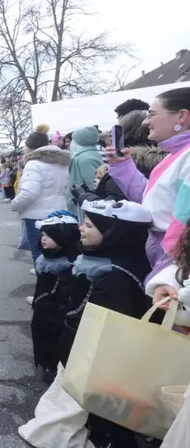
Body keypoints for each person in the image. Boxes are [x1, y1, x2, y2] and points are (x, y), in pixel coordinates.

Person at [57, 199, 152, 448]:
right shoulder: (118, 261)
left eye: (89, 224)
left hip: (107, 368)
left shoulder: (113, 276)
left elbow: (99, 328)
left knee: (108, 417)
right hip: (117, 369)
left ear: (113, 233)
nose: (81, 228)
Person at [106, 87, 190, 291]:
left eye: (152, 114)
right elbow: (150, 200)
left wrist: (168, 270)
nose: (145, 121)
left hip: (175, 259)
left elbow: (184, 219)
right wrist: (122, 165)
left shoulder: (187, 156)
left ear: (181, 116)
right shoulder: (176, 155)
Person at [28, 211, 80, 382]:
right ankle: (45, 365)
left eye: (49, 236)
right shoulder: (46, 259)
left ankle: (53, 369)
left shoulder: (68, 266)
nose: (43, 238)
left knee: (52, 340)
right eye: (43, 234)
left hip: (54, 313)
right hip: (42, 307)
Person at [11, 125, 70, 272]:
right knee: (55, 254)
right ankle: (55, 289)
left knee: (39, 255)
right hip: (58, 212)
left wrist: (15, 204)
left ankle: (43, 291)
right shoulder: (60, 162)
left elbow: (29, 193)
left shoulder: (34, 164)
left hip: (37, 216)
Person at [65, 126, 103, 216]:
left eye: (75, 139)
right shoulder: (89, 154)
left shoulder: (85, 158)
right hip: (81, 201)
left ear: (82, 140)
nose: (72, 143)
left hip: (82, 203)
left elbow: (93, 185)